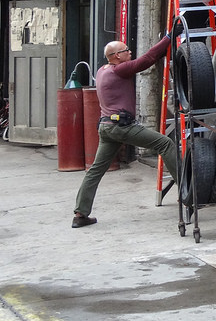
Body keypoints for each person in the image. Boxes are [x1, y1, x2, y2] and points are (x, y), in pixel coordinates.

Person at [71, 35, 179, 228]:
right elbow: (146, 60)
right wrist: (169, 38)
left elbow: (149, 57)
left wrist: (165, 44)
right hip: (122, 127)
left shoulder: (103, 70)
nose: (130, 52)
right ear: (116, 56)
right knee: (165, 143)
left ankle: (80, 214)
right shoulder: (119, 70)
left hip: (106, 127)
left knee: (95, 171)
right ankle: (190, 193)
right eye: (126, 50)